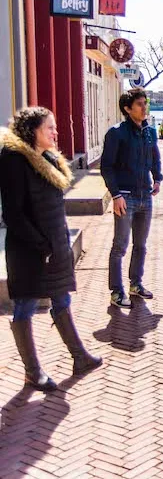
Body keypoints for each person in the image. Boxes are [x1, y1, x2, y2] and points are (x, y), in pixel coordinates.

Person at [0, 107, 102, 391]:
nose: (56, 133)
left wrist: (58, 243)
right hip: (30, 250)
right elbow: (13, 213)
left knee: (62, 299)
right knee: (26, 305)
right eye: (50, 128)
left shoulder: (48, 158)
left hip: (54, 246)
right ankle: (32, 372)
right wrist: (41, 245)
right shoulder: (14, 160)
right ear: (32, 131)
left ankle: (79, 356)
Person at [101, 88, 163, 308]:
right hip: (125, 197)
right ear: (127, 109)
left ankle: (135, 284)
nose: (144, 107)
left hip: (145, 196)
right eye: (139, 104)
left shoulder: (149, 132)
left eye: (145, 103)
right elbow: (106, 167)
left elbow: (155, 157)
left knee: (141, 245)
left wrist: (157, 178)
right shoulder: (116, 133)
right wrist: (116, 195)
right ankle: (116, 292)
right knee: (120, 246)